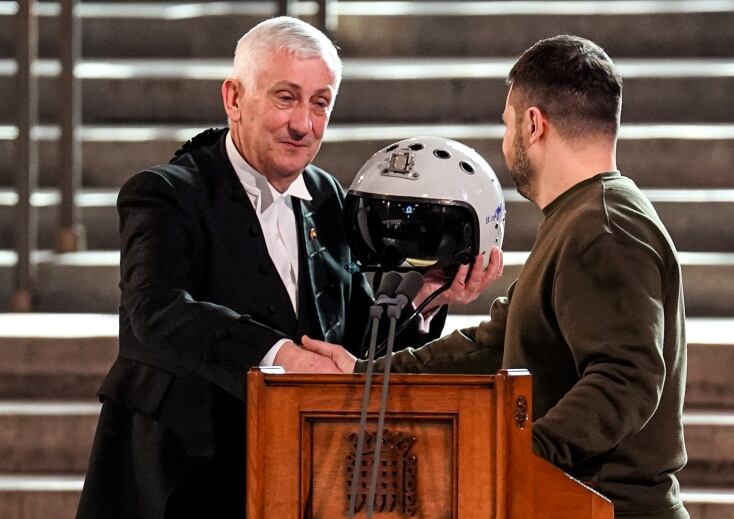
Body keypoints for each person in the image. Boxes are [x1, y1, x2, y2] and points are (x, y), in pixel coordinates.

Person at [75, 17, 501, 519]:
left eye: (320, 103)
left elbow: (352, 342)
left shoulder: (327, 196)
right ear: (233, 98)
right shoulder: (164, 193)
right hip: (178, 481)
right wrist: (279, 355)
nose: (303, 124)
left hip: (300, 478)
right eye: (285, 97)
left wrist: (427, 299)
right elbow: (157, 310)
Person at [303, 35, 689, 518]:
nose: (506, 142)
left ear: (533, 124)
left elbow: (627, 378)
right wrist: (364, 375)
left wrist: (518, 453)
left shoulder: (603, 228)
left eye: (507, 125)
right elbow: (492, 344)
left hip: (608, 507)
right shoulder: (584, 217)